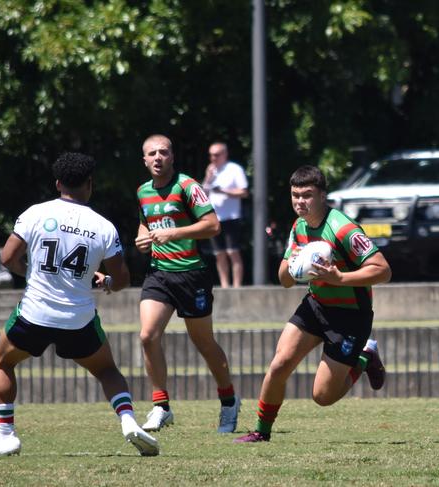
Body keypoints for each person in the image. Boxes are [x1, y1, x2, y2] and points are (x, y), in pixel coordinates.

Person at [0, 152, 158, 458]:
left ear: (58, 183)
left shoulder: (35, 213)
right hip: (79, 319)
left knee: (3, 362)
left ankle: (6, 435)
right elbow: (123, 277)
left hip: (35, 313)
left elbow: (8, 258)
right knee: (107, 371)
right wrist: (107, 283)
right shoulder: (103, 226)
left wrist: (32, 273)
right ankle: (128, 421)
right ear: (90, 184)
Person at [234, 165, 392, 443]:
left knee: (322, 396)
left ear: (322, 195)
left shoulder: (343, 229)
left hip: (350, 316)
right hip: (315, 305)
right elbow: (283, 280)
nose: (300, 201)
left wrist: (340, 277)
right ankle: (262, 431)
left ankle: (365, 355)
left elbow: (383, 270)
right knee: (279, 364)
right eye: (295, 195)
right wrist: (295, 263)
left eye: (307, 195)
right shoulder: (299, 227)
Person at [135, 134, 240, 433]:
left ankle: (229, 402)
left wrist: (175, 234)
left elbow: (213, 225)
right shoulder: (143, 191)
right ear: (144, 159)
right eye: (152, 153)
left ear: (172, 156)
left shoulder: (188, 186)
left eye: (163, 152)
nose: (158, 158)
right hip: (159, 274)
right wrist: (142, 237)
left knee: (203, 343)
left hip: (191, 273)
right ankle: (161, 406)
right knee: (147, 335)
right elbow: (146, 221)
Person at [202, 142, 248, 288]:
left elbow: (244, 192)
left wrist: (224, 191)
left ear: (224, 154)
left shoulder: (234, 169)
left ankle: (236, 286)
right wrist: (208, 178)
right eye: (211, 155)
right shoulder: (211, 171)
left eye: (216, 154)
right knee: (219, 254)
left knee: (232, 252)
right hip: (215, 219)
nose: (213, 158)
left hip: (231, 217)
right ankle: (224, 285)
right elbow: (203, 195)